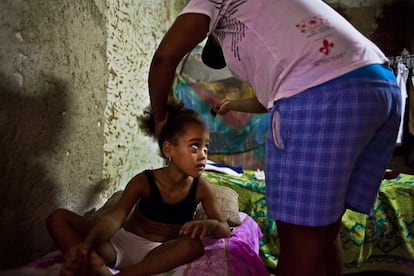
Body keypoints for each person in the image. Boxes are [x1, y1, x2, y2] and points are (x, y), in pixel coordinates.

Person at [147, 1, 401, 276]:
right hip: (380, 86)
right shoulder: (279, 18)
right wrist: (233, 105)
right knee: (325, 233)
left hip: (324, 95)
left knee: (299, 242)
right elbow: (270, 98)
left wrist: (159, 118)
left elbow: (164, 58)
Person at [46, 98, 232, 276]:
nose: (203, 156)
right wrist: (87, 245)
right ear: (169, 150)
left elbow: (225, 229)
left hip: (158, 253)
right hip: (119, 246)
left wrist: (212, 225)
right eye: (194, 147)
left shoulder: (201, 188)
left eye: (206, 148)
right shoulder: (145, 180)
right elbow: (115, 218)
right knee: (58, 218)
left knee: (193, 246)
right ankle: (86, 261)